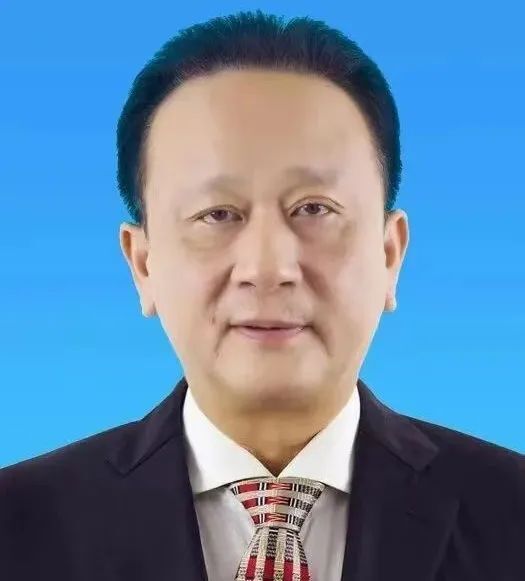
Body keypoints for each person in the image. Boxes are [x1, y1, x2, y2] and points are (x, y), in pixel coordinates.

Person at [1, 9, 523, 581]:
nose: (268, 268)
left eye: (314, 209)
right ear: (143, 263)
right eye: (217, 214)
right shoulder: (18, 525)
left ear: (389, 253)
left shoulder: (511, 513)